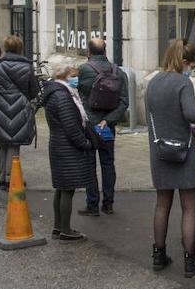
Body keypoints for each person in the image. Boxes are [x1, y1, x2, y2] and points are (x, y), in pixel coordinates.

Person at [145, 39, 195, 277]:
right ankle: (191, 262)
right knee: (189, 207)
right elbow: (191, 113)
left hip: (159, 152)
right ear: (183, 62)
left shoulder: (153, 83)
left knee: (162, 204)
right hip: (184, 152)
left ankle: (159, 255)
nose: (192, 69)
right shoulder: (183, 83)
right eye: (192, 64)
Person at [39, 56, 97, 241]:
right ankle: (65, 229)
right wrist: (86, 144)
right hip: (67, 148)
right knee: (67, 189)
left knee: (62, 188)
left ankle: (58, 227)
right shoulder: (62, 95)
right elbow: (71, 126)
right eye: (73, 72)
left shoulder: (56, 92)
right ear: (65, 73)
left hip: (59, 145)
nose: (76, 75)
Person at [76, 38, 130, 217]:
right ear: (106, 51)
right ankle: (108, 204)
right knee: (108, 163)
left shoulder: (84, 69)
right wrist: (108, 120)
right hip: (107, 127)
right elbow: (124, 102)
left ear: (89, 52)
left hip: (90, 125)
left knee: (90, 164)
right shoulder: (118, 71)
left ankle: (92, 205)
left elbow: (82, 95)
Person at [0, 35, 39, 190]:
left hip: (0, 106)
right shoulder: (27, 67)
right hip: (20, 106)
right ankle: (12, 178)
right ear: (20, 48)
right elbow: (33, 90)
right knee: (14, 143)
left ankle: (3, 178)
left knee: (3, 142)